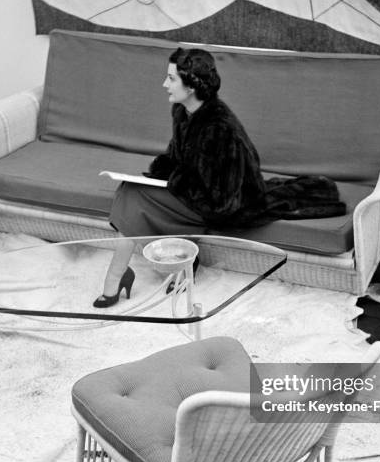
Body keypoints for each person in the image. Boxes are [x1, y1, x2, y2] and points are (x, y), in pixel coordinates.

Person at [94, 47, 344, 307]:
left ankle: (122, 274)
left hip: (227, 205)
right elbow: (178, 157)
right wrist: (161, 173)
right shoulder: (183, 111)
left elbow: (223, 200)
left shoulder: (219, 128)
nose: (164, 84)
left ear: (190, 86)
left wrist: (175, 182)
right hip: (199, 195)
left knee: (133, 196)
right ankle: (169, 263)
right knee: (130, 188)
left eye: (171, 78)